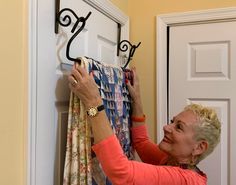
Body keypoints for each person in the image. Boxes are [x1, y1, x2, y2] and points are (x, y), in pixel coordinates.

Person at [68, 63, 221, 185]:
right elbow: (141, 142)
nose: (166, 127)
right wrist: (137, 100)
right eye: (172, 122)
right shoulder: (169, 160)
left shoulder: (183, 180)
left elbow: (120, 172)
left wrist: (93, 102)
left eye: (179, 127)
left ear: (199, 147)